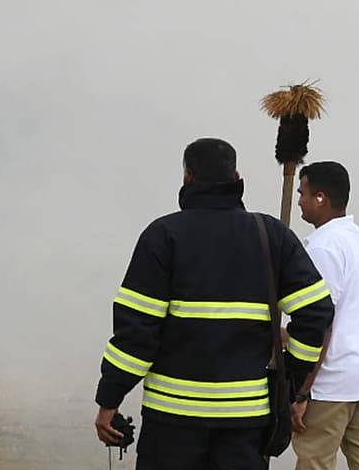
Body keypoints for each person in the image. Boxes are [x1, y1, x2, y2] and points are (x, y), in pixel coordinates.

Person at [94, 137, 335, 469]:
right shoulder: (271, 234)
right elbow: (317, 311)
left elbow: (136, 333)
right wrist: (292, 378)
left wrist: (110, 399)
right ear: (237, 179)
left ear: (187, 178)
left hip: (172, 422)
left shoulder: (163, 235)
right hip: (245, 423)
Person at [290, 161, 359, 469]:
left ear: (321, 198)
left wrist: (303, 391)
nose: (299, 201)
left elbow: (321, 323)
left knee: (314, 462)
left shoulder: (323, 247)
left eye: (302, 192)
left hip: (331, 382)